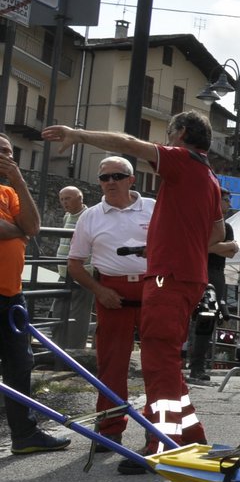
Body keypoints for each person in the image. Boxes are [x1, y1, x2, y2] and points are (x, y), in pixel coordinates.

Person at [44, 113, 226, 472]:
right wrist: (170, 246)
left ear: (182, 134)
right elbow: (217, 234)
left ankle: (163, 444)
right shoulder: (209, 177)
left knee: (159, 365)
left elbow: (128, 144)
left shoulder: (181, 160)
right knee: (163, 363)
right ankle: (187, 438)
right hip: (181, 277)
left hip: (165, 280)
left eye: (168, 134)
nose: (164, 142)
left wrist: (77, 133)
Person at [65, 156, 156, 448]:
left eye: (117, 176)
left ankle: (159, 431)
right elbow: (75, 264)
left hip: (153, 289)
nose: (110, 182)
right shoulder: (90, 216)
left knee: (160, 364)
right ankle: (110, 429)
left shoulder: (155, 208)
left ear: (132, 180)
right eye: (104, 178)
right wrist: (99, 290)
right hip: (110, 292)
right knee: (111, 365)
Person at [0, 134, 70, 455]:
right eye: (0, 151)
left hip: (12, 295)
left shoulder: (10, 192)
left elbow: (34, 226)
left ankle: (24, 434)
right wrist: (19, 229)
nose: (5, 156)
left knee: (20, 365)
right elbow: (20, 229)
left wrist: (17, 178)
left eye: (9, 153)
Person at [187, 190, 239, 384]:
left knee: (206, 322)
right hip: (195, 271)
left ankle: (197, 367)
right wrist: (223, 245)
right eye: (226, 200)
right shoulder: (198, 222)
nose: (229, 203)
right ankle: (181, 363)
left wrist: (204, 245)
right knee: (187, 319)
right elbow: (228, 248)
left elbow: (231, 252)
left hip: (215, 274)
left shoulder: (227, 227)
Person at [56, 185, 93, 351]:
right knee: (57, 312)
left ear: (80, 199)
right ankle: (57, 350)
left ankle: (74, 352)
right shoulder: (67, 216)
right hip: (64, 273)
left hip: (81, 272)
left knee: (78, 315)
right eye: (62, 199)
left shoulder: (90, 216)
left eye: (68, 198)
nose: (64, 202)